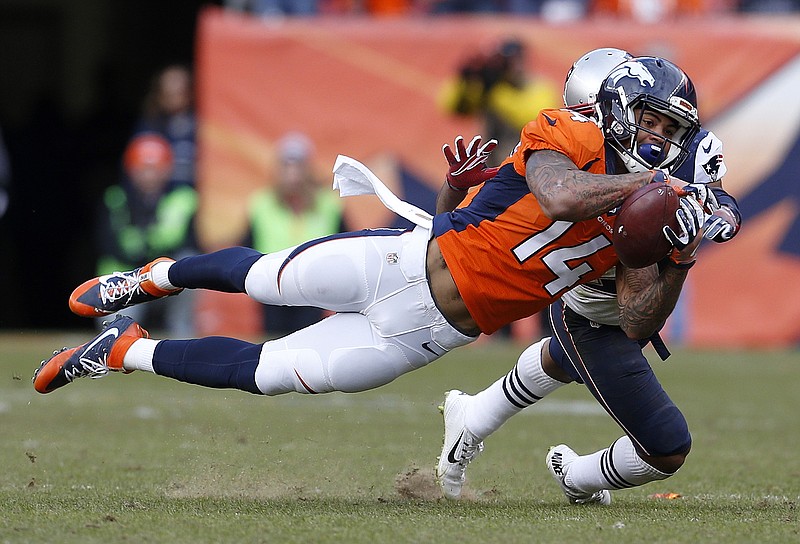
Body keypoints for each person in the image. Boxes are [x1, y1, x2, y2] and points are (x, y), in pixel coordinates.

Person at [33, 54, 706, 450]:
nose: (656, 137)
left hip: (428, 335)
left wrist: (675, 252)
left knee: (265, 373)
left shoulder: (647, 215)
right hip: (403, 264)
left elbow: (639, 321)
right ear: (615, 104)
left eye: (668, 130)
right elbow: (556, 198)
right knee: (267, 278)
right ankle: (156, 277)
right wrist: (650, 185)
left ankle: (120, 352)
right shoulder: (567, 132)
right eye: (649, 119)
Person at [436, 49, 742, 504]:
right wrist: (679, 250)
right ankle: (578, 476)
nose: (654, 136)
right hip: (591, 308)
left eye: (665, 124)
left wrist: (719, 211)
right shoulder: (569, 146)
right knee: (666, 445)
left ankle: (474, 414)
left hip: (592, 302)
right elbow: (476, 220)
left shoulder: (677, 148)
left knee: (562, 359)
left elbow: (716, 192)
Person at [92, 133, 199, 337]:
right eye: (143, 169)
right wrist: (150, 245)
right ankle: (111, 343)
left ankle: (182, 335)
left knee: (191, 262)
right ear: (131, 170)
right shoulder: (115, 199)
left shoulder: (184, 198)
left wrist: (147, 246)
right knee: (116, 333)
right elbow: (110, 245)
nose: (149, 176)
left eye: (155, 169)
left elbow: (185, 242)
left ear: (167, 170)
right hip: (125, 279)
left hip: (166, 279)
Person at [243, 132, 344, 337]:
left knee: (307, 344)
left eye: (298, 166)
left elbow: (344, 243)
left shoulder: (329, 204)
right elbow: (246, 245)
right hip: (271, 287)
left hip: (312, 288)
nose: (292, 174)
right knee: (273, 344)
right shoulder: (261, 203)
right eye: (286, 166)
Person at [439, 38, 560, 165]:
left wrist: (496, 92)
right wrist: (464, 82)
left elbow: (534, 118)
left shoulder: (539, 87)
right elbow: (454, 108)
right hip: (490, 165)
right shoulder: (491, 85)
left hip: (525, 164)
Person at [134, 64, 197, 189]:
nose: (174, 94)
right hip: (160, 197)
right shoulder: (150, 125)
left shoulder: (205, 125)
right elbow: (134, 168)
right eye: (168, 91)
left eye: (179, 90)